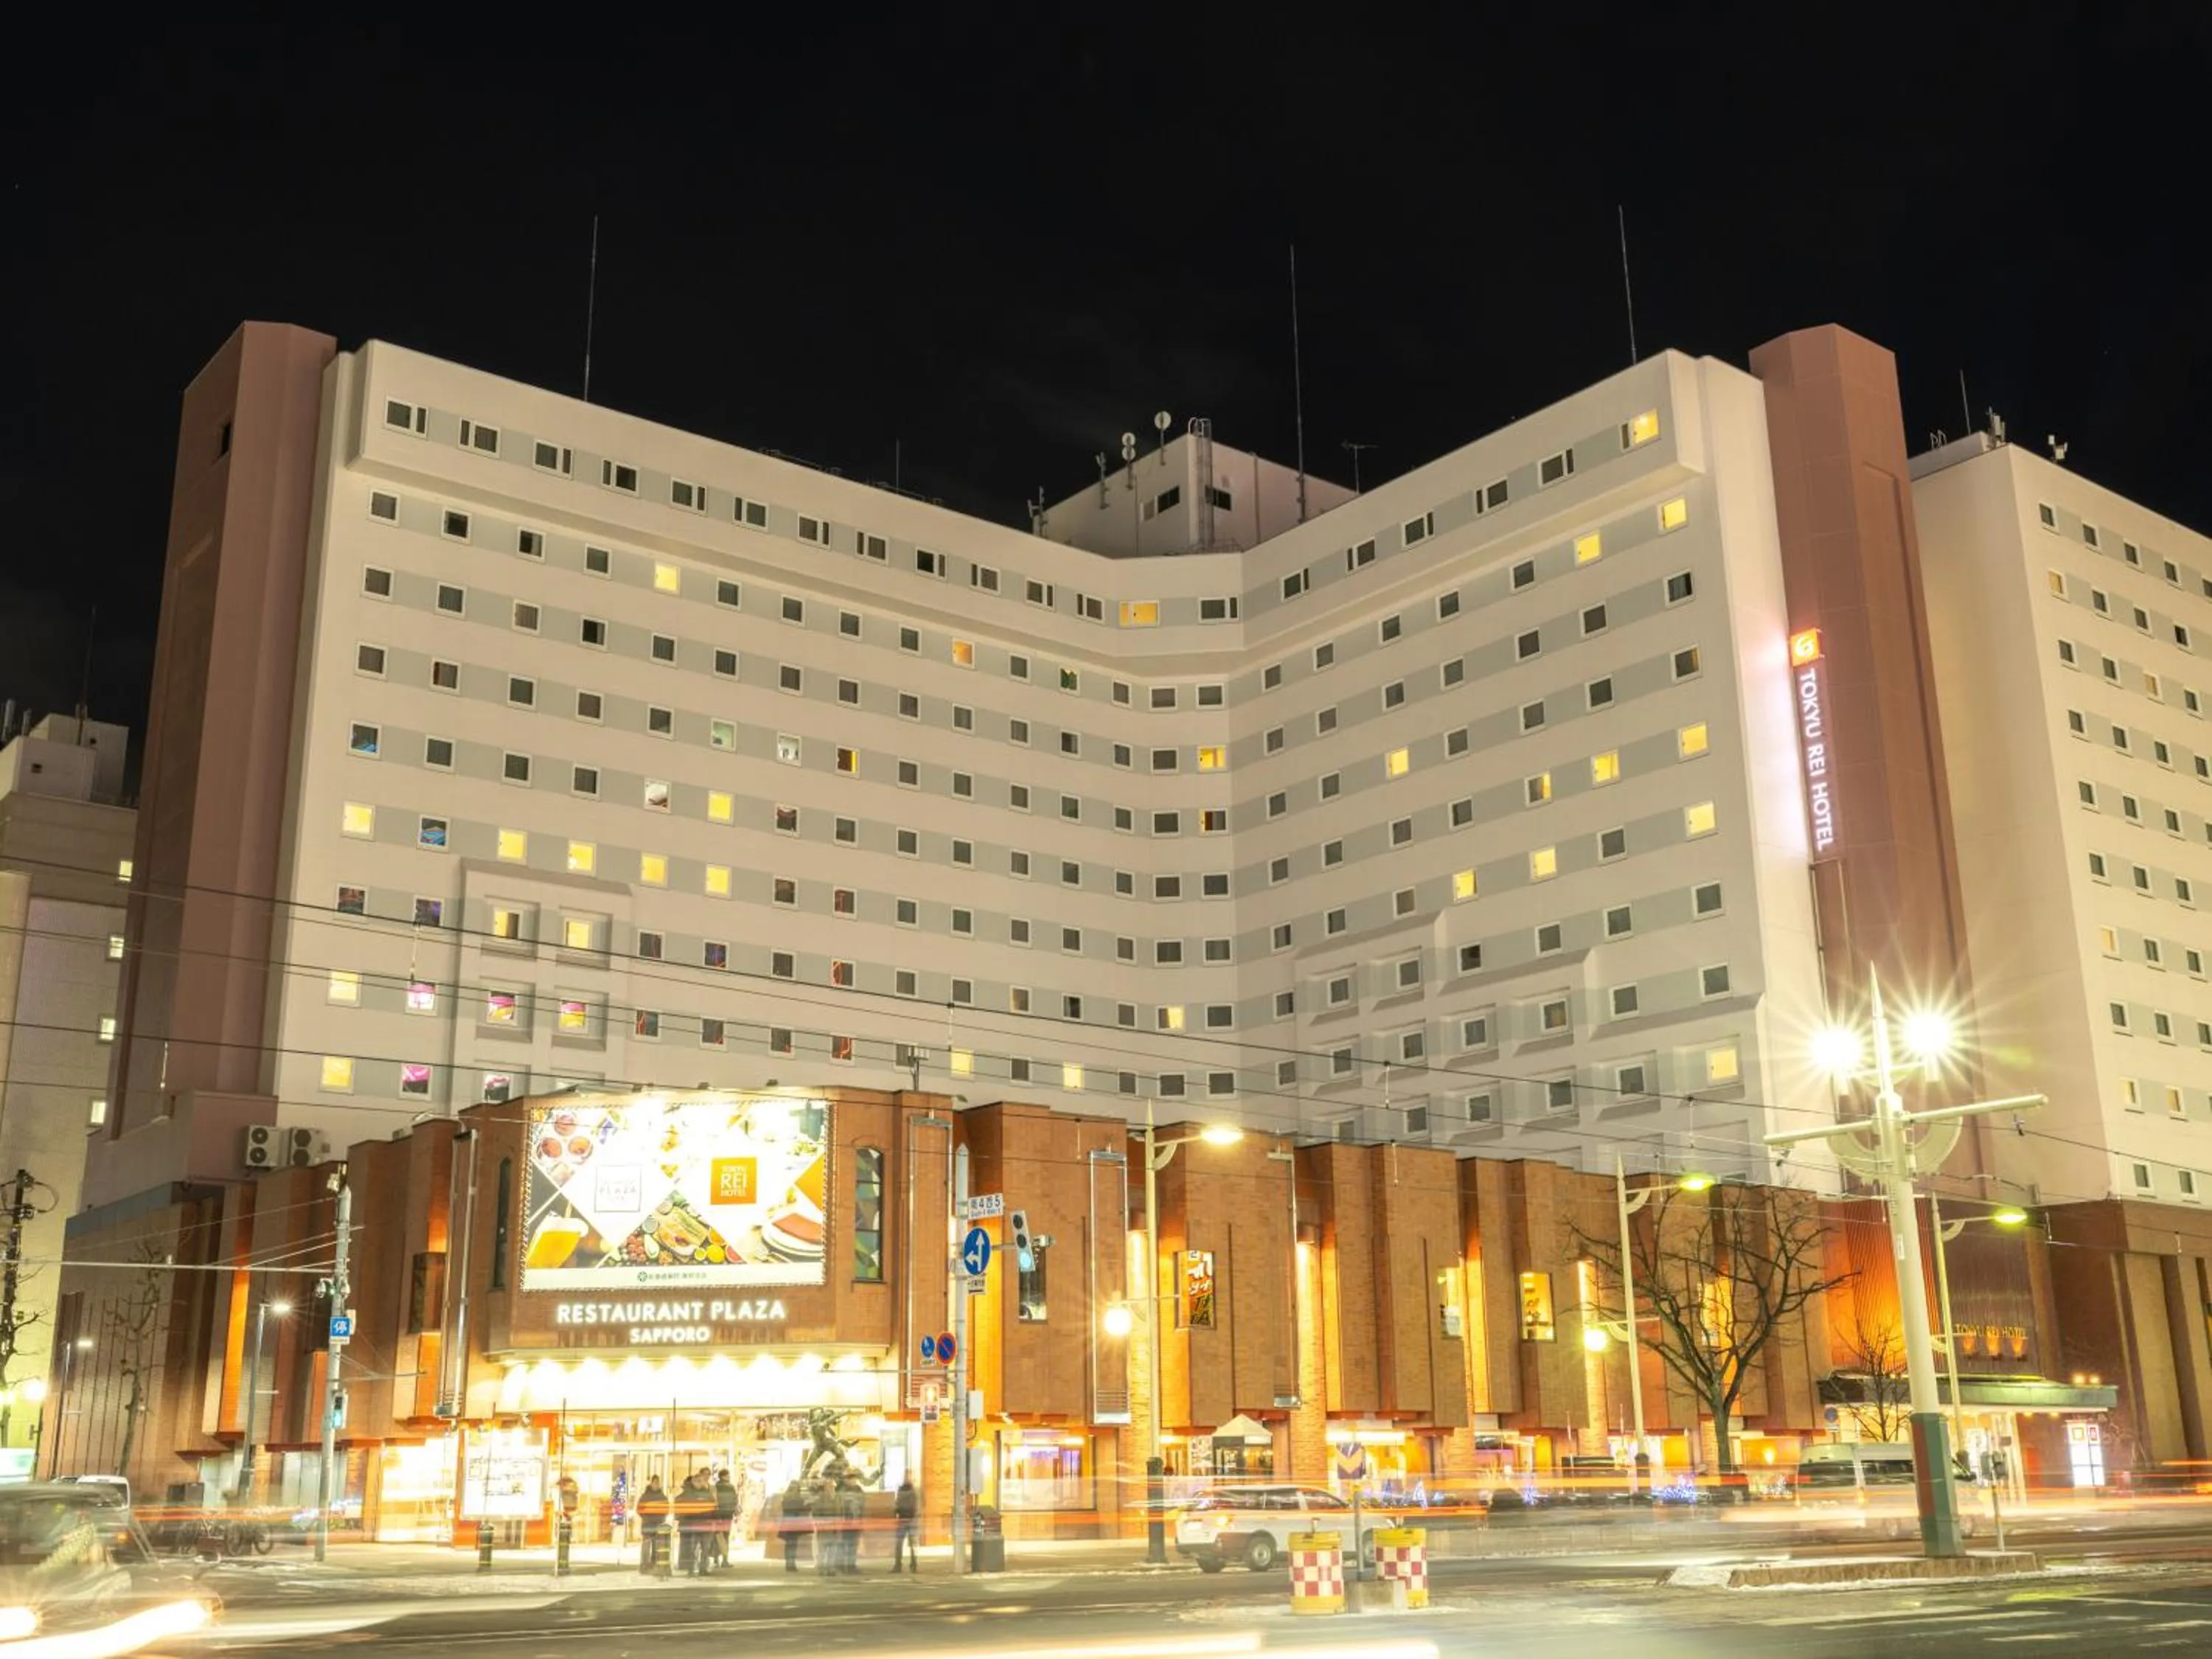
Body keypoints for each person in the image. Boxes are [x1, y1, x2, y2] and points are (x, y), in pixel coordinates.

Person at [638, 1476, 669, 1572]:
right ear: (651, 1483)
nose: (656, 1485)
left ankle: (653, 1563)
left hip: (657, 1524)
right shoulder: (645, 1496)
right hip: (648, 1524)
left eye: (657, 1483)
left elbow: (666, 1509)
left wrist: (662, 1517)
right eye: (655, 1482)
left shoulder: (662, 1496)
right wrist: (646, 1517)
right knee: (646, 1547)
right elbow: (640, 1509)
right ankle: (645, 1564)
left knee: (656, 1547)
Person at [712, 1468, 738, 1571]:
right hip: (727, 1514)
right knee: (725, 1537)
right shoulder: (731, 1487)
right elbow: (735, 1500)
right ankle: (724, 1559)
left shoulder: (716, 1487)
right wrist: (735, 1509)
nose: (729, 1477)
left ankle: (716, 1558)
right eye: (727, 1476)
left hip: (719, 1515)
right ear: (722, 1477)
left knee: (718, 1536)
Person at [836, 1476, 864, 1574]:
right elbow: (840, 1507)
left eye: (854, 1479)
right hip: (846, 1523)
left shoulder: (859, 1490)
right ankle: (843, 1566)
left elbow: (862, 1506)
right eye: (851, 1479)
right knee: (845, 1545)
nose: (853, 1481)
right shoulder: (842, 1491)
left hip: (856, 1522)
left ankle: (851, 1565)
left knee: (853, 1546)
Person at [779, 1481, 808, 1572]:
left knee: (789, 1545)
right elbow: (803, 1509)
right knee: (793, 1544)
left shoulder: (785, 1498)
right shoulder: (798, 1499)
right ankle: (791, 1563)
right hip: (794, 1524)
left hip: (787, 1524)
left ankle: (789, 1563)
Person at [891, 1475, 919, 1572]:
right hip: (911, 1520)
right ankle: (914, 1565)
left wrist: (895, 1515)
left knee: (899, 1544)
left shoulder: (900, 1492)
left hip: (902, 1520)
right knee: (913, 1544)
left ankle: (898, 1565)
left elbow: (896, 1505)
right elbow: (916, 1506)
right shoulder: (914, 1492)